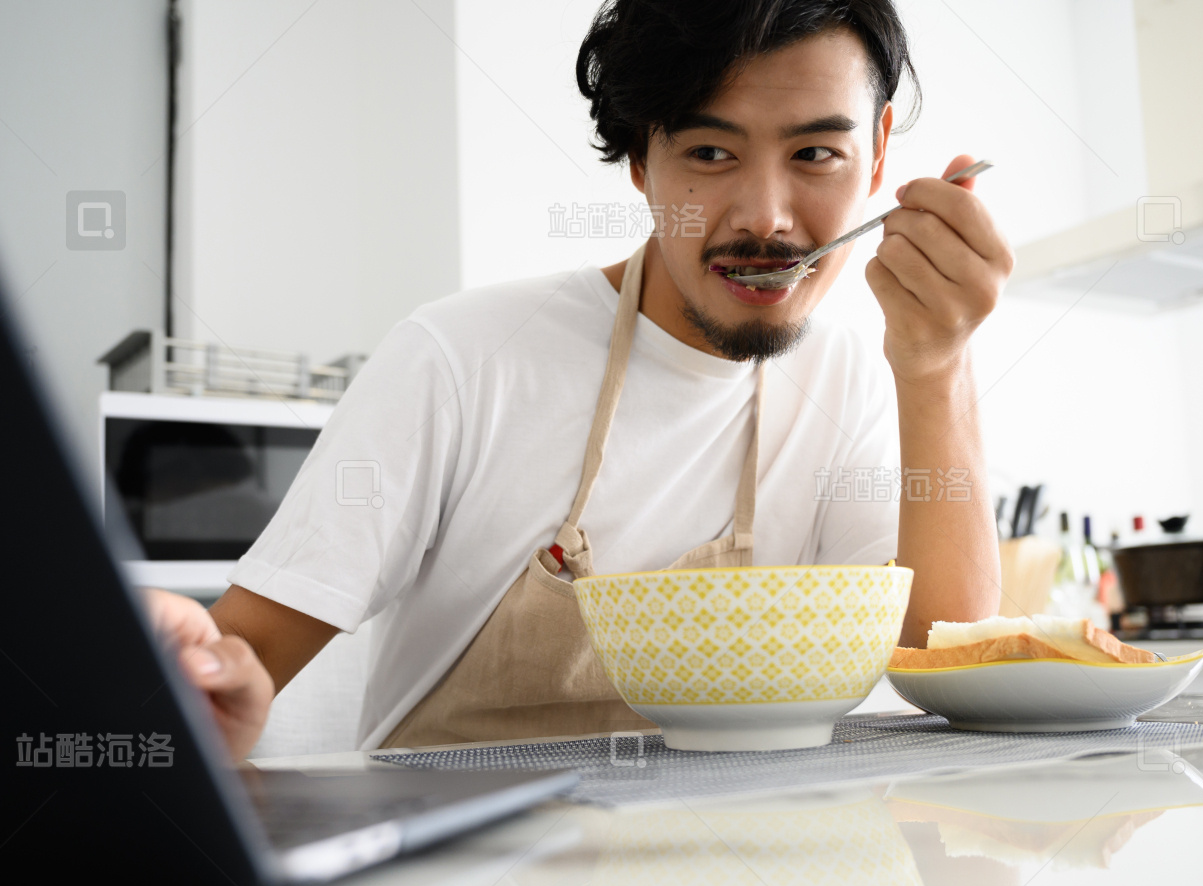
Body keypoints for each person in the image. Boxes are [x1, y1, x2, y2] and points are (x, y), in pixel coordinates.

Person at [153, 0, 1012, 759]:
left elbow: (955, 661)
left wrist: (937, 366)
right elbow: (240, 660)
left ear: (878, 155)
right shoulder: (461, 358)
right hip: (466, 878)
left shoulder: (853, 381)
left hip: (741, 876)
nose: (766, 217)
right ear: (640, 157)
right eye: (711, 151)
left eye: (816, 153)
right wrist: (197, 674)